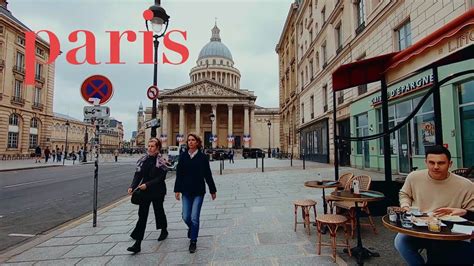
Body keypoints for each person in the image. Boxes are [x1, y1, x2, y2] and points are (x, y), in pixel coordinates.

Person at [394, 145, 474, 265]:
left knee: (440, 249)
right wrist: (405, 206)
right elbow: (405, 194)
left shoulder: (465, 185)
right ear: (425, 162)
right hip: (419, 224)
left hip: (447, 229)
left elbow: (471, 210)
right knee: (400, 241)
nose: (436, 167)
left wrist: (463, 211)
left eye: (441, 163)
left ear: (450, 164)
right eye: (431, 162)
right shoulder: (414, 177)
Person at [174, 133, 217, 253]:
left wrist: (212, 190)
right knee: (185, 216)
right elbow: (179, 175)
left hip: (198, 191)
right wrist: (177, 190)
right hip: (186, 191)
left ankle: (193, 240)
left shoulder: (203, 157)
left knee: (194, 217)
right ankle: (192, 229)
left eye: (193, 140)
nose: (190, 142)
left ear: (197, 142)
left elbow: (207, 175)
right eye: (189, 140)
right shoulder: (182, 156)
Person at [127, 138, 169, 253]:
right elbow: (138, 174)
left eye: (152, 146)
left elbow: (161, 178)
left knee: (158, 211)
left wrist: (147, 184)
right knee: (142, 215)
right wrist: (132, 186)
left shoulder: (162, 161)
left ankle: (164, 229)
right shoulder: (143, 160)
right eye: (149, 146)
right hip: (145, 191)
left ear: (158, 148)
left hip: (157, 190)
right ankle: (138, 243)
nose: (149, 148)